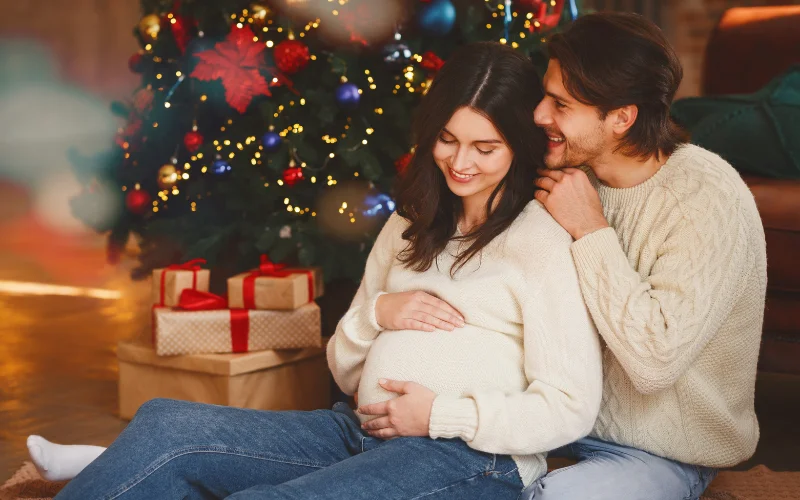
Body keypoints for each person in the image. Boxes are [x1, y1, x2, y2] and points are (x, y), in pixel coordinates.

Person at [49, 41, 603, 500]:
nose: (461, 163)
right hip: (355, 430)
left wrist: (441, 416)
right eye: (448, 140)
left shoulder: (539, 240)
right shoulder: (409, 225)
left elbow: (570, 408)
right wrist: (377, 313)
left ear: (518, 146)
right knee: (164, 427)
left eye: (486, 147)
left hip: (471, 458)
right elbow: (342, 367)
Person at [525, 12, 767, 500]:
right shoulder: (566, 170)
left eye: (560, 104)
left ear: (621, 117)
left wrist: (590, 229)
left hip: (659, 448)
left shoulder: (705, 196)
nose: (539, 115)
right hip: (550, 417)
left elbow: (655, 361)